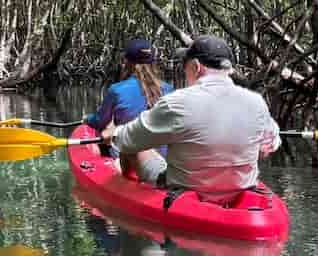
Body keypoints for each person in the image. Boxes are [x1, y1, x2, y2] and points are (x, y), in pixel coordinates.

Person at [102, 34, 280, 198]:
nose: (184, 69)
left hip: (186, 190)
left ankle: (126, 192)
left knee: (134, 148)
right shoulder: (256, 103)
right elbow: (270, 145)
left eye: (185, 64)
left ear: (196, 66)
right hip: (240, 188)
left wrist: (114, 134)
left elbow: (129, 139)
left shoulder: (176, 103)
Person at [86, 38, 173, 183]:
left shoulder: (116, 90)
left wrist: (87, 119)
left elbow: (100, 122)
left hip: (130, 162)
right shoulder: (169, 89)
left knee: (104, 139)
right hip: (164, 162)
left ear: (126, 62)